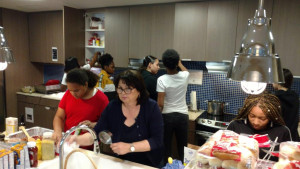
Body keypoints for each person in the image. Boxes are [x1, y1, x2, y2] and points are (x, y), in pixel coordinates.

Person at [68, 70, 164, 168]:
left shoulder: (151, 107)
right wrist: (76, 139)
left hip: (148, 163)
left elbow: (156, 140)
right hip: (122, 162)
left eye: (128, 89)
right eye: (120, 89)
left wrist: (130, 147)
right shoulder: (113, 107)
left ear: (139, 90)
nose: (123, 93)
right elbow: (96, 133)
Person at [227, 92, 292, 161]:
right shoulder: (236, 126)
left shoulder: (282, 131)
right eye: (252, 116)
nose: (256, 122)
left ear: (271, 116)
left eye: (262, 118)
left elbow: (288, 160)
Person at [53, 68, 109, 145]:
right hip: (68, 143)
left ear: (85, 84)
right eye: (70, 90)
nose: (73, 94)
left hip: (88, 147)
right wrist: (57, 131)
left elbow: (107, 125)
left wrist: (92, 124)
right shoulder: (68, 94)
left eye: (76, 90)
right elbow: (59, 117)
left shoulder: (101, 99)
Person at [157, 49, 189, 162]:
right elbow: (186, 71)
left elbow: (160, 104)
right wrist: (179, 63)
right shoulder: (185, 76)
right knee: (183, 147)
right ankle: (185, 166)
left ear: (164, 64)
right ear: (177, 63)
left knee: (167, 146)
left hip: (167, 117)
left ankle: (168, 165)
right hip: (182, 116)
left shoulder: (161, 80)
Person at [273, 68, 299, 141]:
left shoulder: (274, 98)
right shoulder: (295, 96)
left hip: (279, 137)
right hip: (294, 137)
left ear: (277, 81)